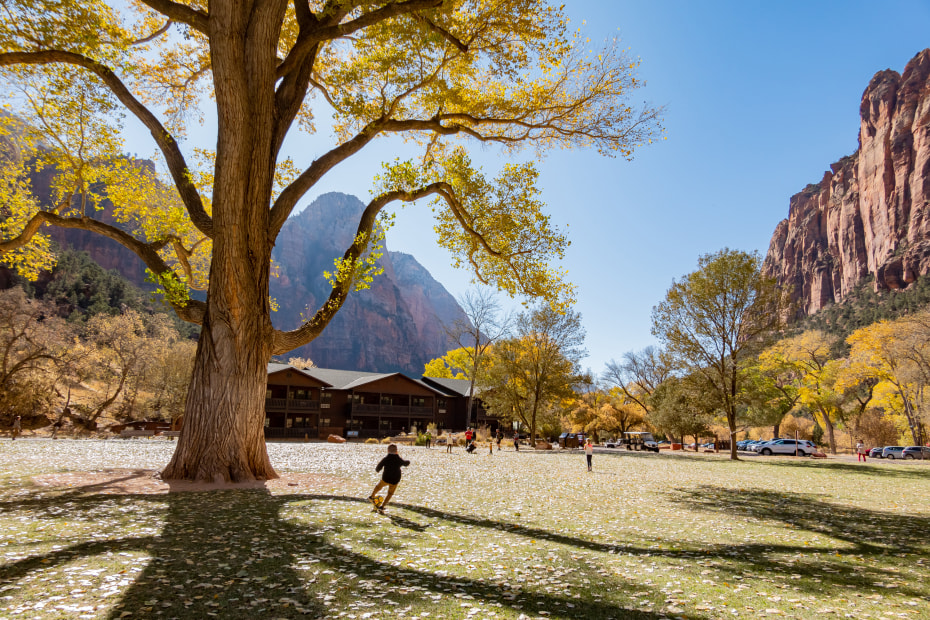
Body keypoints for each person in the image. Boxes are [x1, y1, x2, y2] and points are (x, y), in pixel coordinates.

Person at [368, 444, 409, 514]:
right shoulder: (398, 459)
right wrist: (408, 461)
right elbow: (406, 463)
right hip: (395, 479)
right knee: (390, 493)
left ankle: (372, 496)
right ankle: (382, 506)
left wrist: (378, 470)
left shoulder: (386, 458)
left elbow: (379, 466)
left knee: (378, 487)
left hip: (386, 478)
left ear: (388, 451)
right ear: (397, 451)